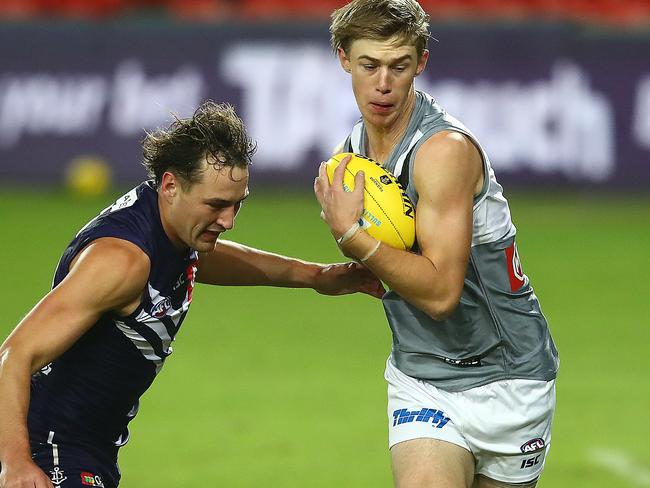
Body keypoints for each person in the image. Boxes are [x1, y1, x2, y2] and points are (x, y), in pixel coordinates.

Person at [0, 101, 385, 488]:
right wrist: (15, 464)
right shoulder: (121, 262)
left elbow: (202, 259)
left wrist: (315, 276)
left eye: (237, 204)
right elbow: (13, 356)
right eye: (217, 205)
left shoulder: (171, 228)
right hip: (47, 448)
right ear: (171, 185)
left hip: (89, 447)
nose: (229, 221)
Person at [314, 1, 559, 487]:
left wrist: (353, 239)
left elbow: (443, 295)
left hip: (509, 375)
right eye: (369, 65)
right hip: (422, 376)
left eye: (398, 66)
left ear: (421, 62)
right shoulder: (351, 154)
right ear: (344, 59)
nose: (383, 83)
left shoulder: (444, 152)